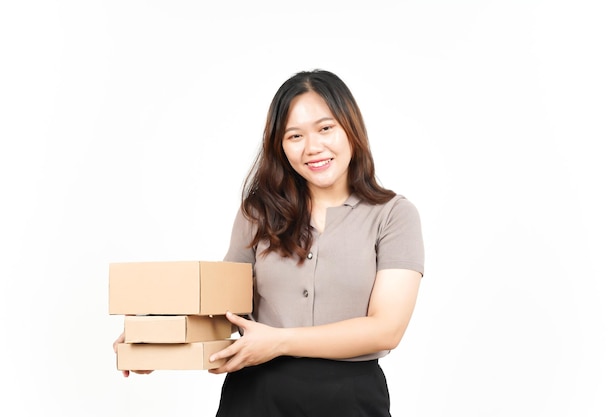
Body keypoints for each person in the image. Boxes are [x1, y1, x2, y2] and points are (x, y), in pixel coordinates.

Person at [113, 69, 425, 416]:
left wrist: (278, 341)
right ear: (280, 145)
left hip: (350, 400)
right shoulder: (258, 213)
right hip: (256, 398)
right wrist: (155, 337)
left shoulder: (394, 215)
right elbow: (222, 306)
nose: (312, 148)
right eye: (294, 135)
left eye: (325, 128)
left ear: (351, 128)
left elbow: (386, 329)